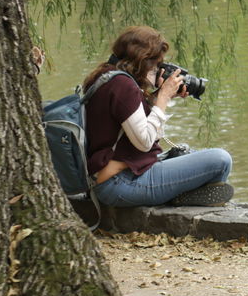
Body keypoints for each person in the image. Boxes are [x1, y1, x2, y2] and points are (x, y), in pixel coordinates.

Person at [83, 25, 233, 207]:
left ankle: (183, 195)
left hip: (114, 177)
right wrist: (163, 98)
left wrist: (156, 99)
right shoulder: (123, 87)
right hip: (120, 183)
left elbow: (142, 132)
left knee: (184, 152)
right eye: (155, 65)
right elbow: (145, 142)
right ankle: (184, 197)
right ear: (143, 61)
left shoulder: (105, 76)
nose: (158, 70)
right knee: (220, 160)